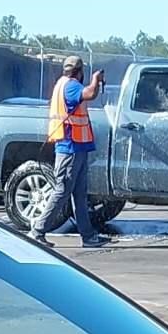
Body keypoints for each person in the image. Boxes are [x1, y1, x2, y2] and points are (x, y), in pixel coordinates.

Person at [34, 56, 107, 248]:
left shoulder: (62, 83)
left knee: (79, 195)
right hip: (70, 147)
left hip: (77, 146)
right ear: (79, 71)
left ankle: (88, 236)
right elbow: (90, 93)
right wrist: (96, 80)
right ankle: (38, 230)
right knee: (62, 191)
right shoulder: (71, 86)